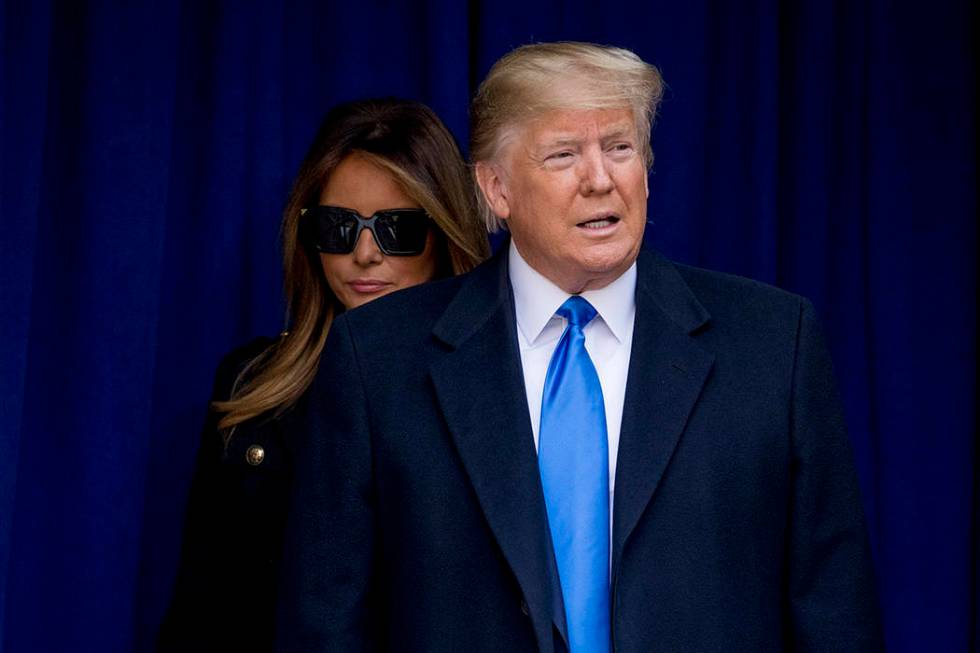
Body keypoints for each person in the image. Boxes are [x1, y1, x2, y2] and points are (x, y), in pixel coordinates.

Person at [278, 43, 881, 652]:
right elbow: (328, 622)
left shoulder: (774, 343)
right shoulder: (377, 358)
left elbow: (835, 615)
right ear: (496, 189)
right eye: (564, 155)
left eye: (619, 148)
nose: (600, 179)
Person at [157, 98, 490, 652]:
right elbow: (201, 606)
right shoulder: (252, 383)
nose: (364, 254)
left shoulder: (498, 390)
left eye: (396, 229)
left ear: (446, 231)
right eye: (337, 226)